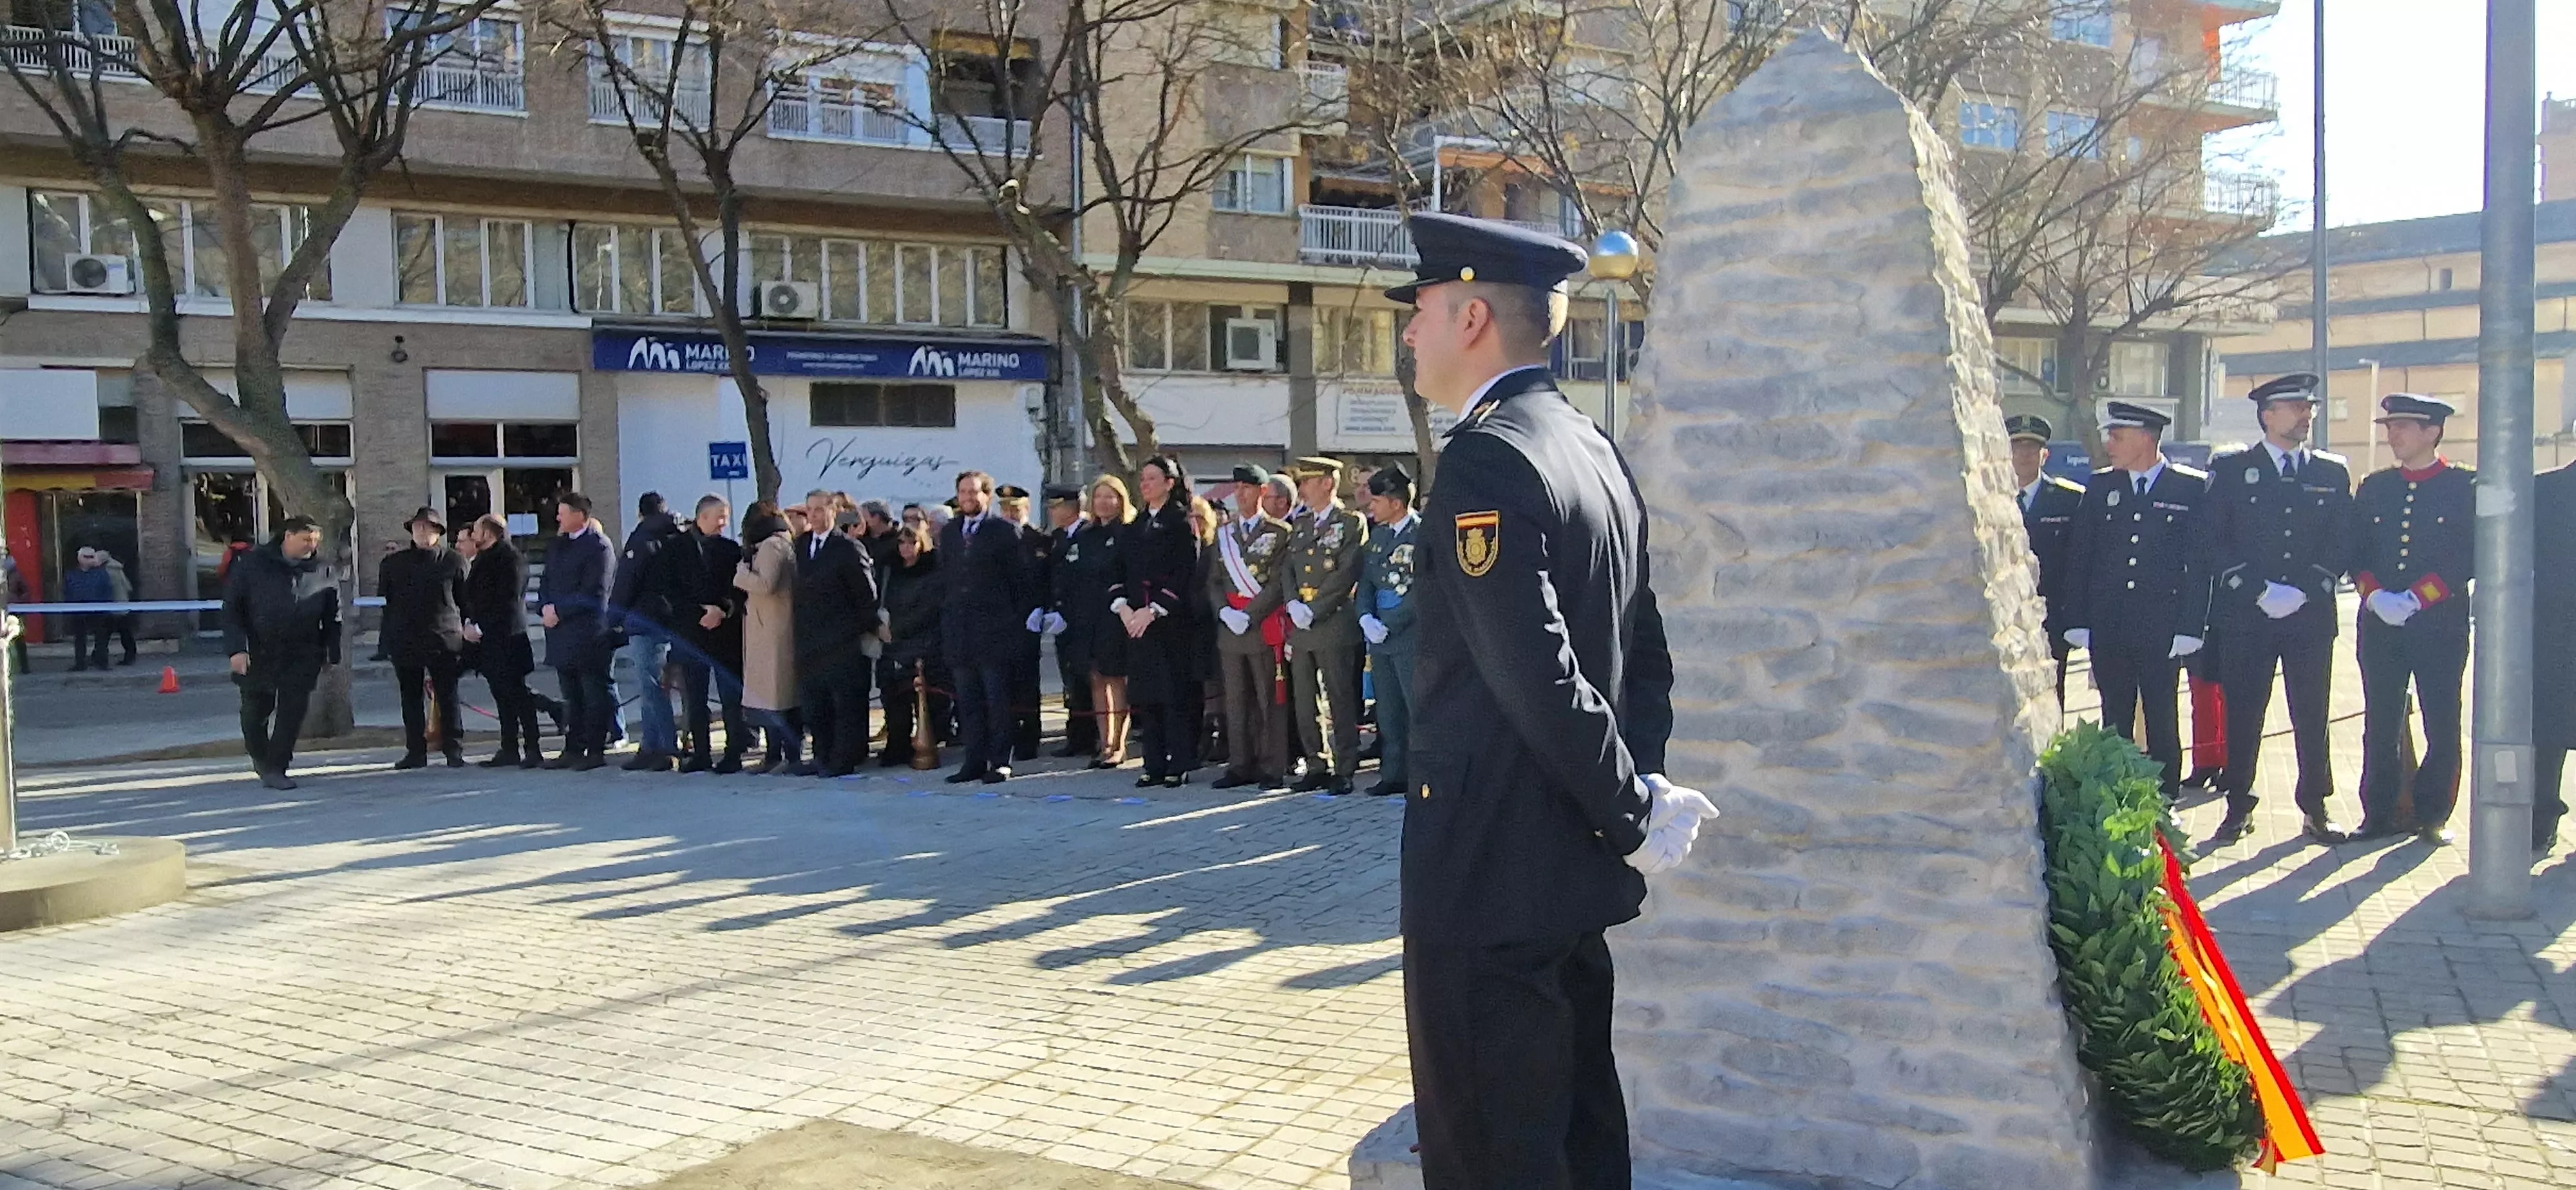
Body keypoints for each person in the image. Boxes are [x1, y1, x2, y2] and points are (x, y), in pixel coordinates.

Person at [1389, 211, 1703, 1189]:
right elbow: (1643, 654)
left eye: (1423, 311)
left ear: (1473, 315)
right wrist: (1636, 794)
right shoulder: (1587, 443)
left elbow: (1541, 672)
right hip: (1562, 866)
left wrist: (1629, 809)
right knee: (1575, 1134)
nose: (1410, 333)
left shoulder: (1488, 459)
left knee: (1492, 1148)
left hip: (1488, 870)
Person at [2199, 373, 2356, 847]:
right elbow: (2212, 540)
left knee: (2313, 712)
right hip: (2249, 614)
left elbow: (2342, 538)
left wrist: (2308, 588)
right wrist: (2257, 590)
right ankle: (2238, 803)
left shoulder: (2330, 472)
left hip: (2309, 615)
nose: (2306, 415)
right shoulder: (2232, 469)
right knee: (2246, 712)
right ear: (2268, 415)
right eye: (2295, 407)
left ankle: (2315, 806)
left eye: (2310, 407)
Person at [2062, 402, 2208, 800]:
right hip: (2109, 624)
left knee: (2162, 715)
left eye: (2118, 436)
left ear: (2146, 438)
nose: (2110, 444)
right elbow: (2082, 556)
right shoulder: (2102, 486)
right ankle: (2117, 794)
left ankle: (2165, 798)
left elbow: (2199, 563)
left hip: (2161, 626)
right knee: (2115, 715)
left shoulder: (2190, 488)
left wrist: (2190, 626)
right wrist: (2078, 618)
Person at [2347, 394, 2474, 844]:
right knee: (2380, 719)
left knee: (2441, 717)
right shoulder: (2376, 487)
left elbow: (2467, 555)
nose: (2392, 435)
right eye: (2390, 426)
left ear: (2432, 432)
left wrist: (2420, 598)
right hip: (2381, 622)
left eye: (2402, 426)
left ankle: (2432, 812)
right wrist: (2374, 593)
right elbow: (2356, 549)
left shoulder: (2463, 487)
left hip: (2438, 623)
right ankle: (2378, 811)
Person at [1265, 456, 1368, 795]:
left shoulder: (1351, 522)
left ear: (1328, 483)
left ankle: (1346, 766)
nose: (1303, 489)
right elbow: (1288, 569)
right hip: (1302, 623)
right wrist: (1293, 602)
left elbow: (1348, 570)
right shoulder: (1302, 523)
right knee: (1305, 699)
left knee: (1339, 697)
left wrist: (1316, 607)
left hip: (1334, 620)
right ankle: (1315, 763)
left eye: (1309, 482)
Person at [222, 516, 341, 791]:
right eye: (305, 540)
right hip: (259, 651)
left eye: (315, 542)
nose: (311, 547)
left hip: (304, 651)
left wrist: (330, 652)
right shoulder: (253, 565)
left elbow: (333, 615)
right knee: (254, 714)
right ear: (288, 536)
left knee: (292, 712)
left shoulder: (322, 570)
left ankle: (277, 767)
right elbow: (232, 611)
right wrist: (237, 650)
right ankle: (262, 758)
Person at [1110, 456, 1202, 787]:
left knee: (1174, 696)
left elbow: (1185, 572)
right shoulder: (1133, 526)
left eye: (1152, 478)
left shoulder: (1182, 522)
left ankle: (1179, 762)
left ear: (1169, 483)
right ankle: (1152, 763)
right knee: (1146, 697)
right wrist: (1125, 609)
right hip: (1136, 624)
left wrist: (1154, 610)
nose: (1145, 484)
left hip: (1169, 624)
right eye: (1143, 479)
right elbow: (1118, 570)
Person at [940, 471, 1031, 784]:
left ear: (987, 496)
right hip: (960, 631)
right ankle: (973, 761)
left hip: (994, 631)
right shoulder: (951, 532)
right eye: (963, 492)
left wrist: (1013, 622)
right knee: (968, 702)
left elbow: (1021, 582)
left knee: (998, 701)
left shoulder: (1003, 531)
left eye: (974, 493)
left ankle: (1000, 760)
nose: (968, 498)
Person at [1209, 464, 1296, 790]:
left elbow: (1278, 582)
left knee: (1268, 700)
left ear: (1262, 492)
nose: (1240, 493)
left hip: (1262, 627)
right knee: (1236, 700)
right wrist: (1224, 611)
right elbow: (1214, 582)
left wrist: (1251, 614)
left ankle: (1272, 766)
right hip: (1231, 628)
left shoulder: (1279, 532)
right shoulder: (1224, 534)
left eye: (1247, 487)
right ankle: (1240, 764)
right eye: (1237, 487)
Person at [790, 489, 881, 777]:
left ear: (834, 512)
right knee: (815, 705)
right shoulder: (801, 545)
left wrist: (853, 630)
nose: (814, 516)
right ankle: (822, 756)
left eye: (819, 510)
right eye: (810, 510)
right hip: (809, 642)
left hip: (841, 642)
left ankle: (843, 759)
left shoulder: (848, 548)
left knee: (844, 705)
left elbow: (867, 597)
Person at [379, 507, 469, 770]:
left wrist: (466, 632)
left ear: (438, 532)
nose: (422, 532)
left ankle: (454, 748)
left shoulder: (453, 561)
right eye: (417, 527)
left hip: (443, 638)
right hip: (406, 638)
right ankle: (415, 751)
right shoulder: (394, 564)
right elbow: (388, 601)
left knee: (448, 695)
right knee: (410, 697)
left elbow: (465, 602)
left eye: (427, 527)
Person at [609, 492, 688, 771]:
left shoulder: (642, 539)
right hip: (674, 620)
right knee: (655, 686)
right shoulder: (679, 536)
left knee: (651, 687)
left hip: (646, 620)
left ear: (641, 513)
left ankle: (664, 747)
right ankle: (651, 745)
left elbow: (627, 580)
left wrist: (614, 617)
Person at [2007, 415, 2084, 703]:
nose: (2025, 455)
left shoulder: (2070, 500)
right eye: (2018, 447)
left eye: (2032, 448)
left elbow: (2077, 563)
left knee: (2053, 698)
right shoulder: (1991, 499)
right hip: (2005, 619)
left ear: (2045, 454)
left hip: (2051, 618)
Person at [540, 493, 618, 770]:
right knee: (571, 695)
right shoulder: (559, 545)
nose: (558, 518)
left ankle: (595, 750)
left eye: (563, 512)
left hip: (587, 634)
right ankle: (573, 748)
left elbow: (595, 591)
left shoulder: (599, 547)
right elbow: (547, 580)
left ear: (580, 515)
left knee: (593, 694)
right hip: (561, 634)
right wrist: (545, 607)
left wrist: (560, 611)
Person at [1356, 465, 1420, 798]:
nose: (1371, 508)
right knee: (1388, 710)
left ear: (1396, 503)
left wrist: (1390, 623)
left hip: (1409, 636)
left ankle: (1420, 777)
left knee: (1415, 708)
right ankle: (1393, 773)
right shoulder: (1378, 536)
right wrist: (1365, 615)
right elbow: (1366, 580)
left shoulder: (1422, 535)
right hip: (1379, 636)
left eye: (1376, 501)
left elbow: (1425, 590)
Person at [459, 515, 542, 769]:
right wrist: (471, 624)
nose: (473, 535)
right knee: (502, 696)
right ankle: (509, 747)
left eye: (476, 530)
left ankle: (533, 747)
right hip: (489, 642)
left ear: (490, 534)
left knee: (517, 695)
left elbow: (507, 600)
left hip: (508, 639)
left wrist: (481, 627)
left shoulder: (510, 559)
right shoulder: (484, 559)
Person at [673, 495, 748, 773]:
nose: (723, 523)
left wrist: (722, 610)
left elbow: (739, 589)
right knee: (695, 698)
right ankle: (701, 753)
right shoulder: (676, 549)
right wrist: (698, 614)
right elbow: (670, 591)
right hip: (692, 634)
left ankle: (733, 753)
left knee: (731, 697)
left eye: (726, 518)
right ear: (702, 517)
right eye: (719, 517)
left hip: (725, 635)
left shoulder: (731, 550)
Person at [732, 501, 804, 774]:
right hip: (769, 627)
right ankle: (776, 753)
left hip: (773, 629)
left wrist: (741, 574)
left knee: (778, 697)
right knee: (771, 698)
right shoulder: (781, 543)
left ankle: (786, 754)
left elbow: (766, 584)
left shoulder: (773, 546)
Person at [878, 520, 951, 766]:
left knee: (927, 700)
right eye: (902, 543)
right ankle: (897, 744)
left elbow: (931, 608)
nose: (906, 548)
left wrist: (898, 629)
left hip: (924, 642)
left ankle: (929, 742)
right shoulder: (891, 570)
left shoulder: (933, 570)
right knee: (893, 699)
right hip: (893, 643)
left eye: (912, 542)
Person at [1074, 476, 1133, 768]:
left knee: (1116, 678)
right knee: (1096, 679)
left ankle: (1120, 745)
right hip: (1090, 614)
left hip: (1116, 614)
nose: (1104, 503)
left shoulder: (1128, 533)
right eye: (1099, 497)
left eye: (1110, 497)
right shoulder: (1086, 534)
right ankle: (1104, 741)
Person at [2534, 460, 2576, 857]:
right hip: (2555, 635)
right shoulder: (2544, 491)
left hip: (2554, 632)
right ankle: (2540, 823)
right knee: (2548, 735)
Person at [1041, 484, 1097, 758]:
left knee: (1088, 680)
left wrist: (1070, 613)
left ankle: (1093, 735)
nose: (1052, 512)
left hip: (1085, 620)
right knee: (1071, 681)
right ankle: (1078, 735)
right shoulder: (1058, 537)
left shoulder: (1089, 534)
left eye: (1056, 506)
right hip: (1063, 620)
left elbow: (1086, 583)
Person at [998, 484, 1049, 761]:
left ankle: (1029, 739)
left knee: (1027, 683)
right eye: (1005, 508)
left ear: (1026, 509)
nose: (1010, 513)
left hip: (1028, 619)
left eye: (1015, 508)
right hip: (999, 621)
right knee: (1002, 683)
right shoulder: (996, 539)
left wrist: (1043, 609)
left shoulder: (1038, 540)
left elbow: (1045, 580)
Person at [62, 547, 115, 671]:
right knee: (80, 638)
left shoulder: (101, 573)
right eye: (86, 557)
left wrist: (106, 607)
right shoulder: (72, 575)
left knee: (101, 637)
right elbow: (67, 591)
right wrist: (69, 607)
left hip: (98, 610)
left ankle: (102, 662)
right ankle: (80, 663)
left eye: (92, 557)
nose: (90, 560)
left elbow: (107, 590)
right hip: (78, 611)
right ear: (79, 558)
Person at [1, 542, 28, 674]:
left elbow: (26, 591)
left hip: (14, 611)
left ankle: (25, 667)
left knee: (18, 639)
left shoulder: (16, 573)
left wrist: (18, 602)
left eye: (4, 554)